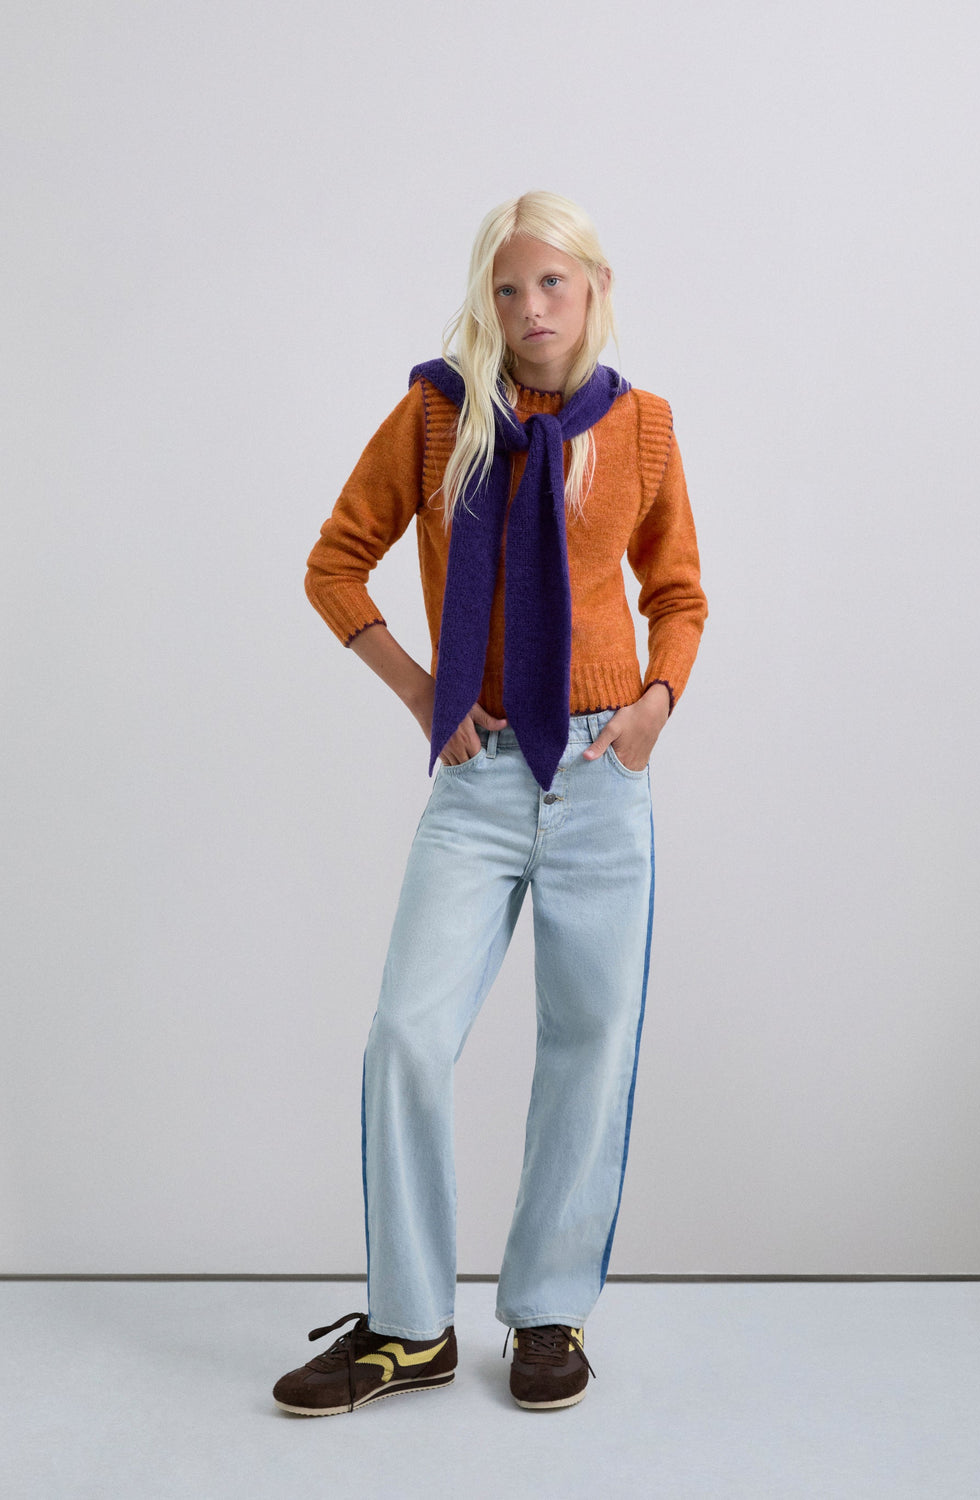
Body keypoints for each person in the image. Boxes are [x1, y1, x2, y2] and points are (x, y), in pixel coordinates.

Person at [273, 191, 707, 1416]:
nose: (529, 309)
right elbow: (333, 562)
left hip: (599, 776)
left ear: (595, 288)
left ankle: (549, 1312)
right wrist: (426, 692)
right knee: (407, 1036)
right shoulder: (435, 419)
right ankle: (410, 1326)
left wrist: (653, 707)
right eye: (508, 289)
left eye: (551, 284)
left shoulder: (644, 428)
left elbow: (678, 593)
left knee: (588, 1045)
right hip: (477, 781)